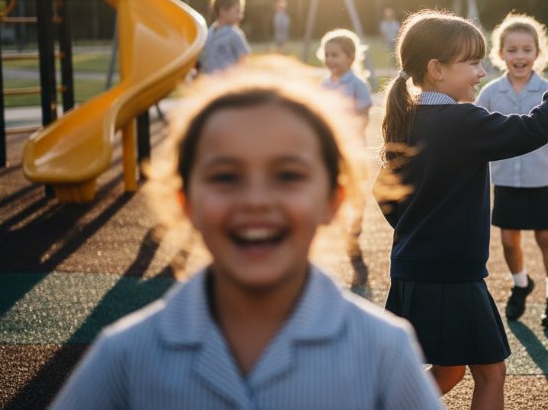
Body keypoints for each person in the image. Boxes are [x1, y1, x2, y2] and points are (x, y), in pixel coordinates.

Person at [50, 57, 445, 410]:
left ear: (333, 199)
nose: (256, 201)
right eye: (226, 177)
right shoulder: (125, 356)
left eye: (288, 176)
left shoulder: (382, 351)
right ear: (185, 200)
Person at [377, 10, 548, 410]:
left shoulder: (409, 117)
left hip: (415, 267)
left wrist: (415, 228)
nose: (480, 72)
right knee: (490, 371)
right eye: (472, 62)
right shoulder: (460, 120)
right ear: (436, 69)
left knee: (449, 370)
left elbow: (383, 193)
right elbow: (533, 130)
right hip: (451, 274)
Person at [475, 14, 548, 329]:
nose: (520, 56)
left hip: (541, 179)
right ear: (500, 55)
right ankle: (521, 283)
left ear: (538, 54)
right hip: (505, 179)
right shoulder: (490, 93)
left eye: (526, 50)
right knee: (509, 239)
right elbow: (474, 131)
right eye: (512, 50)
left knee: (545, 236)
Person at [318, 28, 373, 286]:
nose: (330, 60)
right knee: (335, 207)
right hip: (331, 155)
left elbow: (363, 116)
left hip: (353, 154)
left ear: (350, 58)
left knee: (355, 203)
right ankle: (355, 261)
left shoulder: (357, 85)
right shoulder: (325, 85)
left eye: (335, 55)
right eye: (327, 55)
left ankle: (357, 231)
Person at [200, 0, 251, 74]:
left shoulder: (235, 34)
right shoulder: (208, 33)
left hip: (229, 83)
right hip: (211, 82)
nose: (240, 16)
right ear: (223, 11)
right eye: (237, 11)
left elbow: (244, 58)